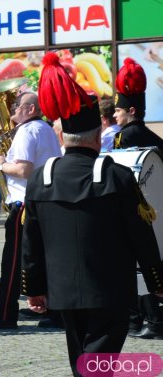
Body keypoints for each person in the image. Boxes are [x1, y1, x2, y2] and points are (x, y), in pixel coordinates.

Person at [21, 52, 163, 375]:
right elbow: (140, 234)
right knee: (96, 364)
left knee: (84, 360)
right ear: (98, 137)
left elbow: (30, 240)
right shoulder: (117, 176)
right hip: (110, 293)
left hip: (63, 294)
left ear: (61, 137)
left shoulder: (40, 179)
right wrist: (156, 278)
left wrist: (35, 288)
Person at [0, 90, 61, 329]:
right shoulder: (45, 129)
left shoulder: (26, 131)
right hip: (43, 201)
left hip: (24, 204)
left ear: (32, 109)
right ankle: (55, 311)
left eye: (18, 105)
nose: (13, 109)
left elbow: (24, 170)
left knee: (12, 261)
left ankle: (4, 314)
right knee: (44, 259)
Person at [113, 58, 163, 340]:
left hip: (137, 208)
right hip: (157, 210)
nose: (115, 115)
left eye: (119, 110)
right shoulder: (154, 136)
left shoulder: (124, 137)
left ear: (132, 110)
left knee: (138, 267)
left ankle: (151, 320)